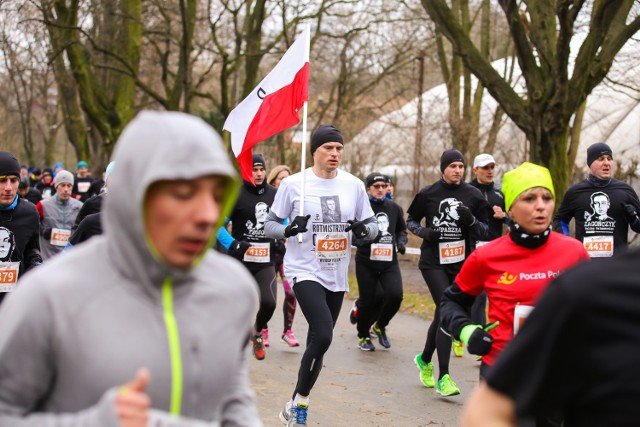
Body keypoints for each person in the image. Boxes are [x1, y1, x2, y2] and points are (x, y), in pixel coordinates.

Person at [0, 111, 261, 425]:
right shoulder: (48, 296)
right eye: (183, 194)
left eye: (216, 195)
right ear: (134, 194)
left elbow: (233, 399)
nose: (207, 214)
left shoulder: (235, 290)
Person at [440, 163, 589, 414]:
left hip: (557, 373)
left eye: (547, 198)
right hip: (504, 370)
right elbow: (450, 303)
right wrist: (467, 332)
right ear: (510, 208)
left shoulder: (574, 251)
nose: (540, 205)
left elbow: (594, 309)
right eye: (529, 198)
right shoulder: (487, 256)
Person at [264, 124, 378, 426]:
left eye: (339, 148)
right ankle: (301, 404)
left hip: (336, 273)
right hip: (304, 270)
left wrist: (364, 231)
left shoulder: (353, 185)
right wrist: (289, 229)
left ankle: (295, 400)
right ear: (314, 150)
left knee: (319, 341)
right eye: (328, 148)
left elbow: (372, 225)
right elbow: (269, 225)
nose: (335, 153)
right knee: (324, 332)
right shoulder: (294, 185)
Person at [460, 247, 640, 427]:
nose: (541, 216)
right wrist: (466, 330)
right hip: (505, 360)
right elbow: (485, 411)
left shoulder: (574, 252)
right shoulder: (584, 286)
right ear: (512, 216)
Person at [407, 148, 492, 397]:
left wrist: (472, 222)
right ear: (443, 168)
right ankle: (444, 376)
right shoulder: (428, 194)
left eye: (461, 166)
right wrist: (425, 233)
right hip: (433, 262)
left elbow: (488, 230)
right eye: (453, 166)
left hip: (461, 263)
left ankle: (424, 359)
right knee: (446, 310)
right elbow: (411, 219)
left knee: (444, 312)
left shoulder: (473, 195)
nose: (457, 170)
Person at [217, 153, 278, 361]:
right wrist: (232, 244)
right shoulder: (235, 194)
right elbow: (217, 225)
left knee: (269, 303)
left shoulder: (275, 194)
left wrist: (282, 238)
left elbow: (283, 221)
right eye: (254, 169)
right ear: (246, 171)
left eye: (262, 169)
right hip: (240, 261)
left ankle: (257, 332)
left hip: (265, 261)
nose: (259, 173)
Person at [553, 142, 640, 258]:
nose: (606, 163)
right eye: (601, 159)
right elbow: (560, 220)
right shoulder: (575, 192)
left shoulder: (625, 190)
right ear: (590, 164)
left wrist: (633, 219)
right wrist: (568, 243)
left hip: (617, 265)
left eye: (609, 159)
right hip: (586, 265)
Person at [353, 172, 407, 351]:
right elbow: (353, 235)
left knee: (395, 296)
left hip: (388, 262)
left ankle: (380, 325)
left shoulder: (394, 208)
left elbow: (401, 230)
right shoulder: (361, 208)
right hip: (366, 262)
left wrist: (401, 242)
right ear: (368, 188)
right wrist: (365, 239)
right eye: (376, 187)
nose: (381, 189)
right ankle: (363, 335)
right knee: (368, 301)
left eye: (383, 186)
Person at [462, 153, 509, 355]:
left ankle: (496, 338)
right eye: (485, 168)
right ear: (475, 170)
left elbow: (515, 218)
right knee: (478, 297)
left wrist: (504, 216)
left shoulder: (501, 193)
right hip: (473, 248)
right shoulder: (467, 192)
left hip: (496, 249)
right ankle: (479, 339)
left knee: (498, 295)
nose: (490, 171)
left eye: (492, 167)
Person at [265, 164, 300, 348]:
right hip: (268, 255)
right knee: (268, 296)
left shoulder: (295, 200)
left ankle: (287, 331)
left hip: (286, 255)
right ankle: (262, 328)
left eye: (287, 178)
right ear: (273, 181)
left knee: (291, 291)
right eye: (281, 179)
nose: (284, 182)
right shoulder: (267, 199)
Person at [0, 152, 42, 303]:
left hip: (15, 301)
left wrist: (35, 265)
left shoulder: (30, 212)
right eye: (2, 180)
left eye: (13, 180)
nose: (8, 188)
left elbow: (33, 250)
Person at [35, 170, 83, 260]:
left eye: (69, 186)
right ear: (56, 187)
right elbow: (31, 224)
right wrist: (42, 230)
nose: (66, 189)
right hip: (48, 259)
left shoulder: (80, 206)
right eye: (62, 185)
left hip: (70, 259)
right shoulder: (43, 205)